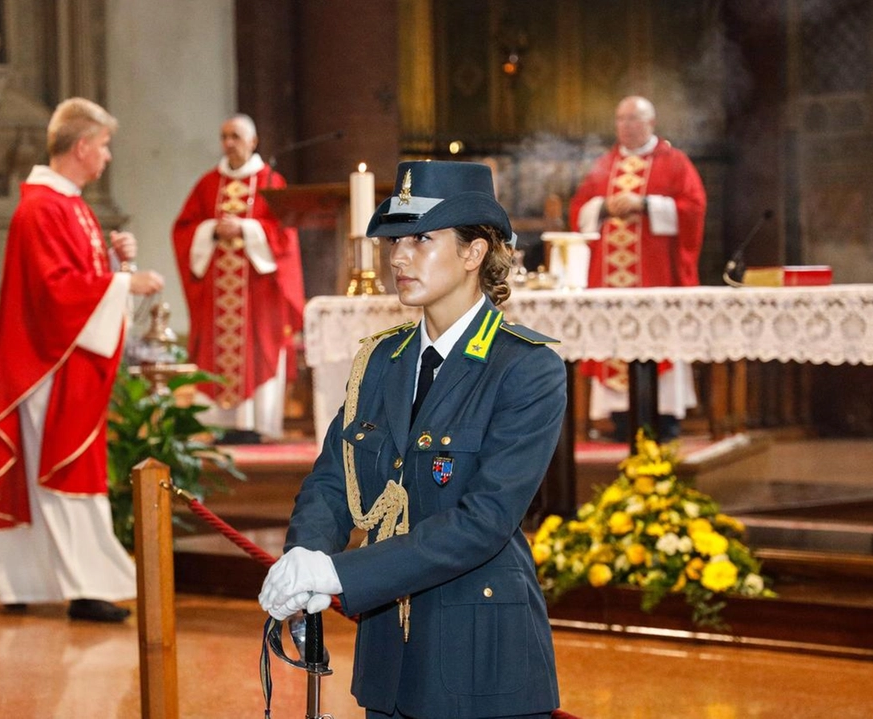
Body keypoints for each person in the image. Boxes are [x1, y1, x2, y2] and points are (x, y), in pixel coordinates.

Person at [259, 161, 567, 718]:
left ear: (475, 253)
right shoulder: (380, 360)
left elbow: (483, 522)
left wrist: (337, 575)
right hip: (388, 660)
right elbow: (334, 478)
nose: (399, 257)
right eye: (396, 241)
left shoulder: (525, 368)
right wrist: (307, 553)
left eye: (422, 239)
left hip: (479, 661)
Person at [0, 98, 165, 622]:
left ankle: (21, 581)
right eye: (103, 145)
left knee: (48, 475)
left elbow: (81, 281)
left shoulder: (69, 204)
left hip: (61, 360)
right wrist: (126, 283)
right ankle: (83, 587)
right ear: (81, 147)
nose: (108, 156)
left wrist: (120, 263)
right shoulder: (41, 208)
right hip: (45, 364)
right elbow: (56, 294)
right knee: (60, 472)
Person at [568, 95, 706, 442]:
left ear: (651, 123)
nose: (626, 126)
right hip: (611, 282)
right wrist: (604, 206)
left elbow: (694, 209)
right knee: (613, 341)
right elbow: (579, 210)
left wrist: (644, 204)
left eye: (633, 119)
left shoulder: (674, 163)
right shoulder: (604, 165)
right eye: (621, 119)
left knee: (661, 340)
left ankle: (665, 420)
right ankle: (619, 420)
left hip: (658, 277)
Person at [171, 114, 306, 443]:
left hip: (258, 297)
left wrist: (246, 228)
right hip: (218, 298)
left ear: (253, 142)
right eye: (224, 136)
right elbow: (183, 230)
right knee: (216, 355)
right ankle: (219, 425)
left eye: (235, 136)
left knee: (258, 351)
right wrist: (211, 230)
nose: (228, 143)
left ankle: (255, 425)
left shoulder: (272, 182)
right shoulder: (207, 184)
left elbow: (285, 236)